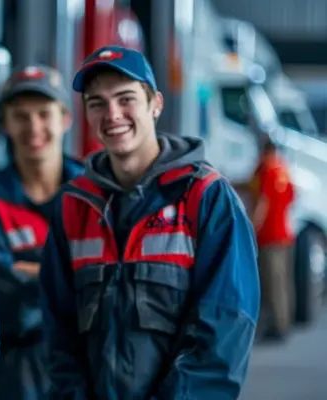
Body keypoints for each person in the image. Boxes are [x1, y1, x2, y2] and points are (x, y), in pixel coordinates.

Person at [39, 46, 260, 399]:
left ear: (155, 104)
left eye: (126, 99)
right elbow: (58, 333)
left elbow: (223, 330)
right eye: (97, 103)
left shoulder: (206, 197)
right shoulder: (73, 206)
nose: (112, 114)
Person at [0, 64, 83, 400]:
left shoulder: (95, 196)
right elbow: (2, 303)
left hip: (88, 372)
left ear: (65, 119)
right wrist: (77, 274)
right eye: (21, 115)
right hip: (16, 382)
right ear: (6, 123)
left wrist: (33, 272)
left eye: (45, 114)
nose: (34, 127)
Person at [249, 135, 295, 341]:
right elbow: (292, 196)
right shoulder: (282, 168)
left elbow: (263, 201)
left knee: (270, 283)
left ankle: (276, 326)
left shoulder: (265, 168)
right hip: (284, 233)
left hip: (268, 236)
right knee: (282, 281)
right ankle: (283, 322)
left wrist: (252, 226)